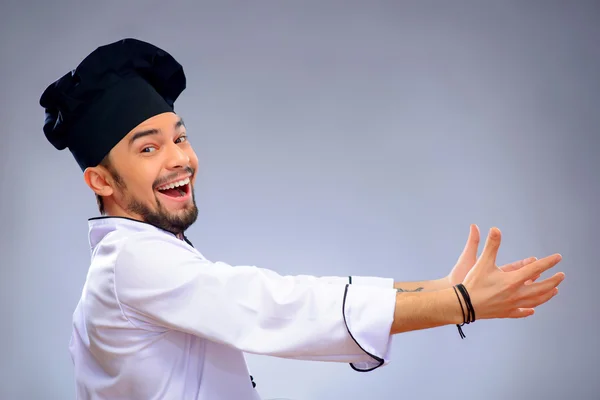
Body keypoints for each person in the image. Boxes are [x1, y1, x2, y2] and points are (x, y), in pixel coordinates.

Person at [40, 38, 565, 400]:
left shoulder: (141, 258)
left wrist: (439, 289)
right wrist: (457, 304)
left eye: (180, 137)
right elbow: (272, 305)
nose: (179, 157)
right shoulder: (131, 262)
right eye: (148, 147)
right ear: (101, 181)